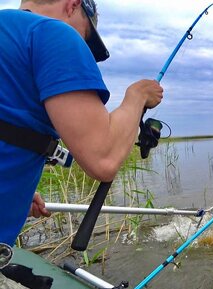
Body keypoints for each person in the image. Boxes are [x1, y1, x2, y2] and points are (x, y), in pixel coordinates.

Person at [0, 0, 164, 246]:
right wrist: (137, 95)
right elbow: (103, 159)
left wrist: (13, 193)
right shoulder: (52, 32)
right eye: (85, 35)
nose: (84, 46)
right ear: (72, 5)